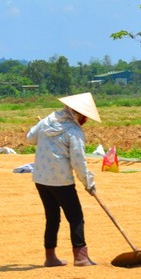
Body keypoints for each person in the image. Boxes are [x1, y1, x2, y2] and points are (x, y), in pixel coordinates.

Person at [27, 93, 101, 267]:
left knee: (52, 217)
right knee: (75, 217)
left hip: (41, 178)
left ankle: (50, 257)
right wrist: (88, 183)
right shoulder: (74, 132)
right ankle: (81, 257)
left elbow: (30, 138)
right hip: (61, 181)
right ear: (79, 114)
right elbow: (78, 162)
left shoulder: (47, 121)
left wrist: (40, 128)